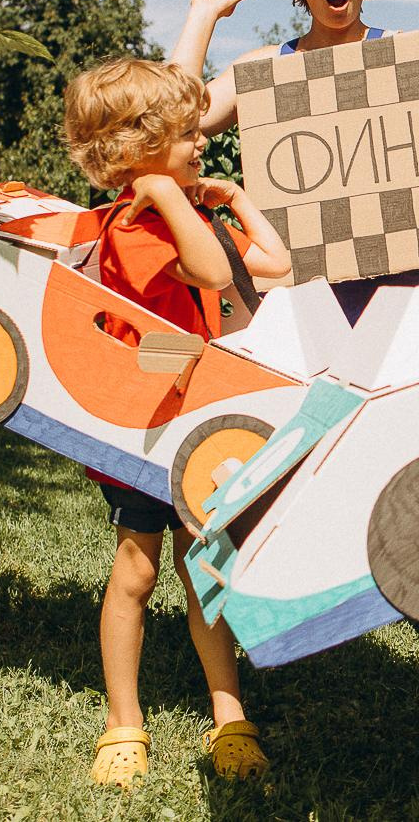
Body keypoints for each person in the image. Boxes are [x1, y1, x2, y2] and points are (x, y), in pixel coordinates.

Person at [171, 0, 419, 662]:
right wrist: (202, 18)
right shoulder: (270, 66)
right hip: (309, 299)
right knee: (300, 449)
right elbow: (177, 115)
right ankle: (295, 595)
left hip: (410, 292)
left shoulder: (407, 60)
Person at [60, 58, 293, 789]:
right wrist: (163, 192)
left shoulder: (186, 207)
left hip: (195, 422)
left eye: (199, 131)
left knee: (204, 570)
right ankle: (123, 719)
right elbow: (214, 274)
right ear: (137, 147)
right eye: (188, 135)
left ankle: (229, 715)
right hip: (143, 429)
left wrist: (234, 200)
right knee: (136, 568)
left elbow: (275, 266)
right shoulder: (134, 221)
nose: (202, 144)